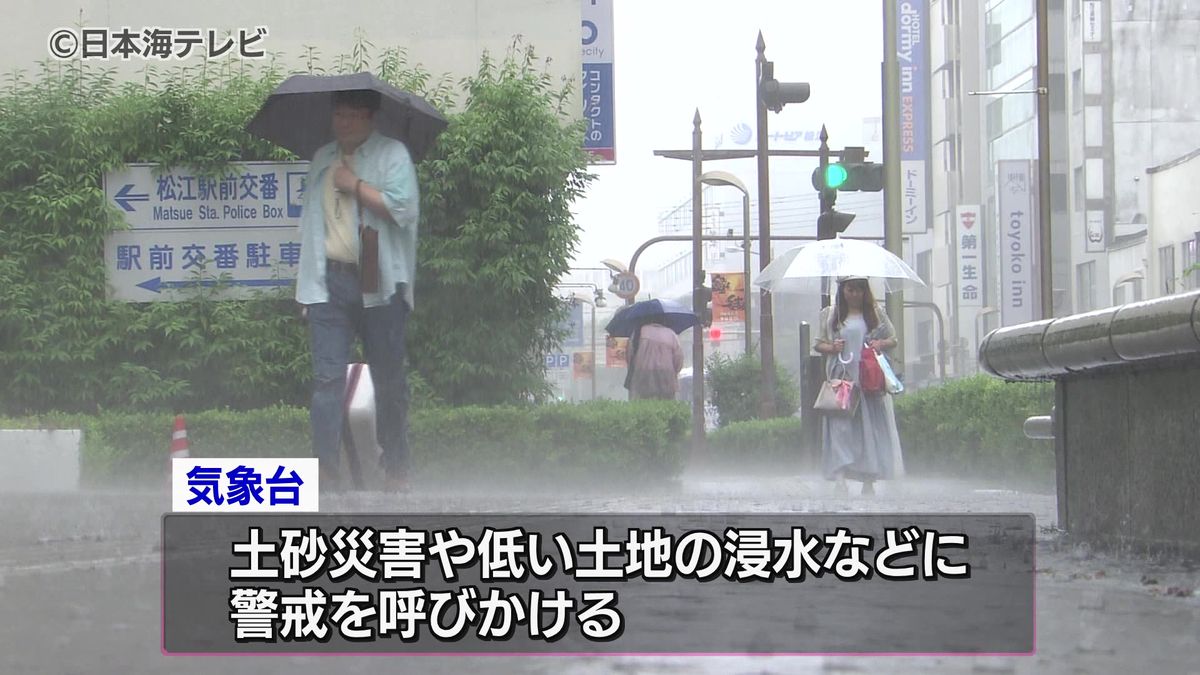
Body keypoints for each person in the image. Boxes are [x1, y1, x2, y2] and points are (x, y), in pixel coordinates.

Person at [295, 89, 420, 492]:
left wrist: (355, 185)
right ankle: (325, 470)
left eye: (351, 115)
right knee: (327, 378)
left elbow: (403, 209)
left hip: (380, 282)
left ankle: (396, 467)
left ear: (369, 118)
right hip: (328, 282)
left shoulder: (393, 155)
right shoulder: (322, 159)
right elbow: (310, 226)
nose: (342, 122)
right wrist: (306, 289)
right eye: (338, 114)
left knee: (388, 380)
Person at [813, 276, 904, 496]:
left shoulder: (876, 313)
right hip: (842, 380)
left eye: (859, 290)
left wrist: (879, 343)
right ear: (843, 291)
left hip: (868, 381)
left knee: (868, 429)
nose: (854, 295)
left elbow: (893, 339)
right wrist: (833, 347)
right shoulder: (830, 315)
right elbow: (818, 344)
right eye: (850, 290)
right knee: (840, 429)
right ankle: (840, 476)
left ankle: (868, 479)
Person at [624, 319, 684, 400]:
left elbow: (629, 356)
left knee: (642, 407)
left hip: (642, 378)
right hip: (666, 379)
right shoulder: (671, 334)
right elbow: (678, 360)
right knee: (666, 408)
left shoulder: (638, 333)